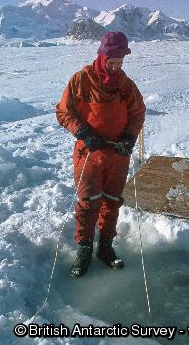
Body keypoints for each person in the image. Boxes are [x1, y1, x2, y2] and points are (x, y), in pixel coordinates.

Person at [56, 31, 146, 278]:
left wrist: (129, 138)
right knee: (87, 203)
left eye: (120, 63)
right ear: (102, 56)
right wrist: (83, 131)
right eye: (112, 62)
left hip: (118, 156)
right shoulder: (81, 80)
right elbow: (64, 112)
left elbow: (138, 112)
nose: (116, 67)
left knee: (111, 202)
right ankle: (84, 250)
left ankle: (105, 248)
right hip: (89, 156)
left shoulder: (126, 85)